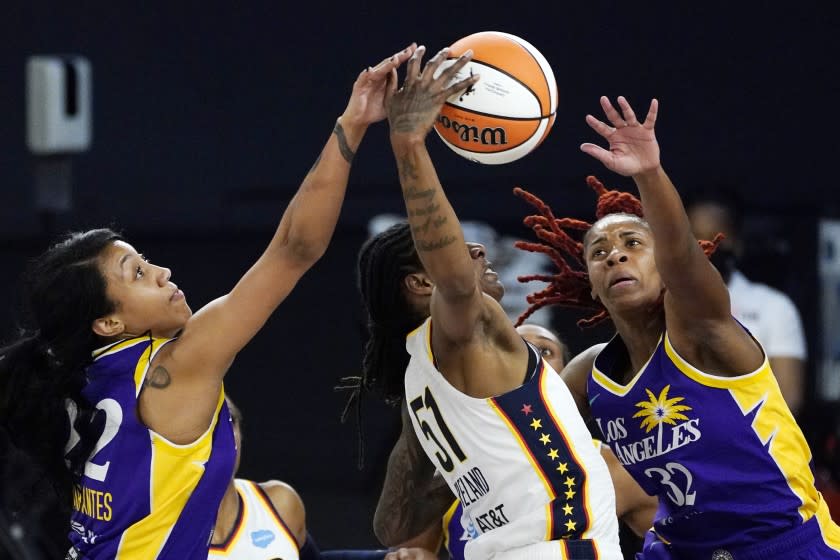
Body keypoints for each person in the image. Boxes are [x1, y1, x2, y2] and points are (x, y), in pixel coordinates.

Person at [0, 42, 417, 560]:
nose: (163, 273)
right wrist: (352, 124)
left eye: (147, 261)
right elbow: (295, 249)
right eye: (138, 274)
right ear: (108, 322)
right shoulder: (176, 365)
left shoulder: (79, 379)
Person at [513, 95, 840, 558]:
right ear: (590, 283)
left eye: (632, 243)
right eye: (599, 252)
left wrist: (648, 173)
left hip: (783, 543)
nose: (616, 255)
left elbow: (684, 260)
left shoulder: (703, 330)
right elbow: (516, 428)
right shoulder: (590, 374)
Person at [359, 45, 623, 559]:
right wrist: (409, 143)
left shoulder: (420, 379)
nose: (476, 249)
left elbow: (391, 525)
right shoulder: (462, 321)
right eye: (457, 247)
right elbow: (456, 282)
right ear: (421, 283)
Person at [382, 325, 655, 560]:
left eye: (545, 351)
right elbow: (409, 549)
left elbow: (676, 541)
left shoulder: (611, 466)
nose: (530, 356)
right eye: (515, 348)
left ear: (559, 376)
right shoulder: (456, 463)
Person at [685, 187, 808, 416]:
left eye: (715, 241)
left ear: (736, 244)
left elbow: (788, 398)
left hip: (750, 444)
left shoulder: (774, 307)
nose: (705, 250)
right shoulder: (658, 303)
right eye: (696, 240)